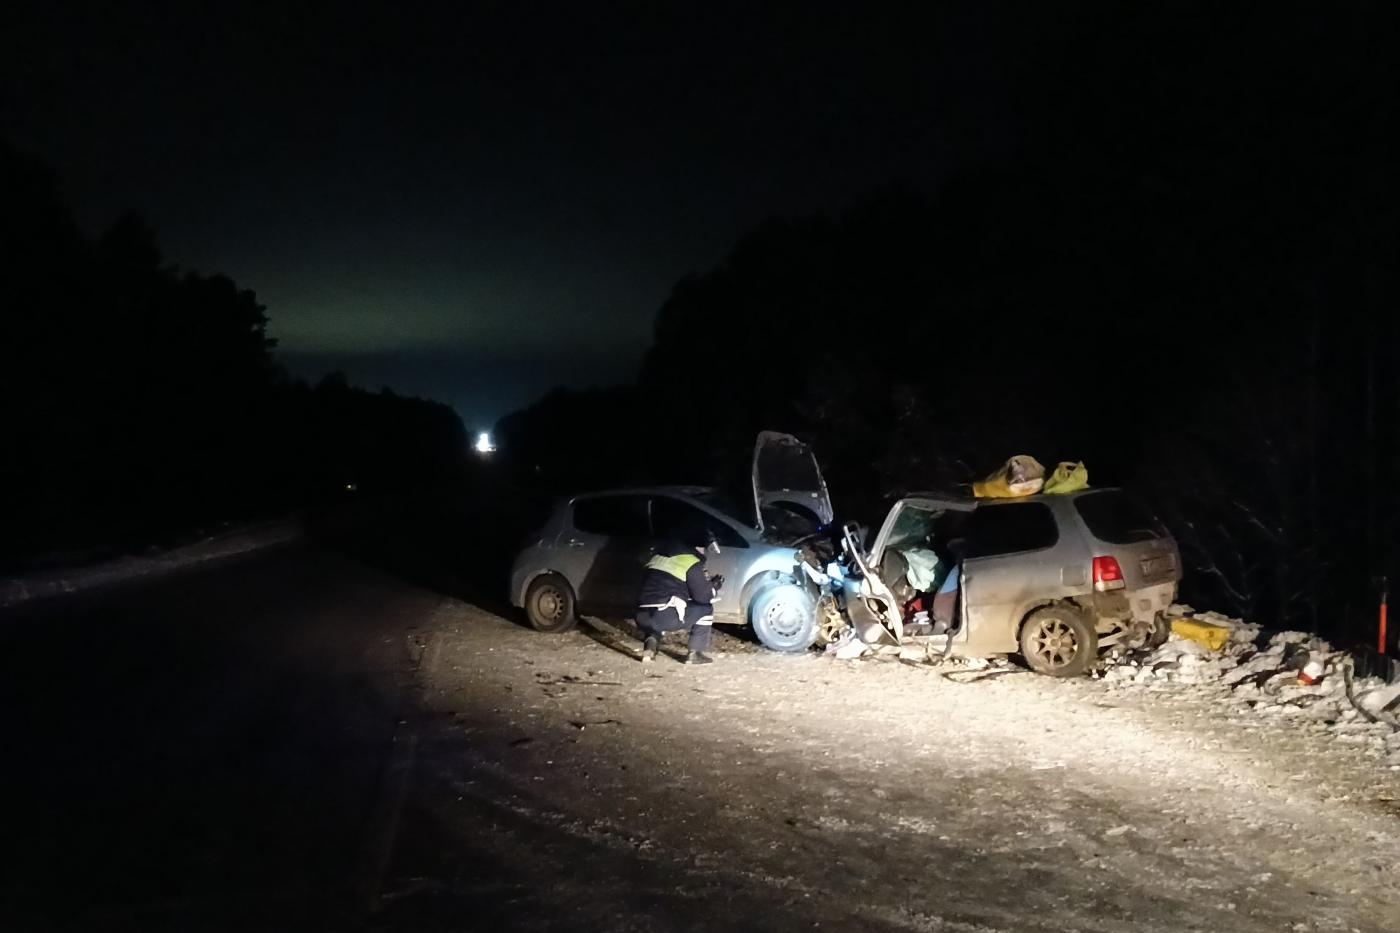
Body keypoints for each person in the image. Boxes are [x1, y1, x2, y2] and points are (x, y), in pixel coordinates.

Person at [635, 536, 719, 665]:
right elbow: (703, 597)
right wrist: (714, 586)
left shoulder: (658, 557)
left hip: (641, 616)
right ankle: (694, 654)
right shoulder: (691, 562)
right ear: (696, 547)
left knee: (659, 607)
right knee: (706, 608)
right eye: (703, 548)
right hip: (664, 615)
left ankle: (650, 646)